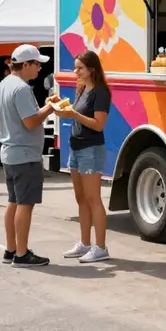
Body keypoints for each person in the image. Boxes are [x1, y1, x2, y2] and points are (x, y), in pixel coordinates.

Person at [0, 45, 53, 267]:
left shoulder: (4, 84)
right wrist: (49, 108)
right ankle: (21, 253)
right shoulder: (21, 88)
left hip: (10, 151)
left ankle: (11, 249)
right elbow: (30, 122)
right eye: (37, 64)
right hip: (25, 153)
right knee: (25, 205)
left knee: (14, 202)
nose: (39, 68)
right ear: (26, 65)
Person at [55, 50, 111, 263]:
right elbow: (78, 117)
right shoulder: (82, 89)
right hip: (76, 148)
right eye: (75, 66)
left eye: (80, 68)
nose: (75, 71)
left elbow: (99, 125)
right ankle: (85, 243)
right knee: (81, 198)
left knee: (93, 198)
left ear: (92, 70)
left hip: (91, 149)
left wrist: (73, 114)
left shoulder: (101, 92)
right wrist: (62, 110)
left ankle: (101, 247)